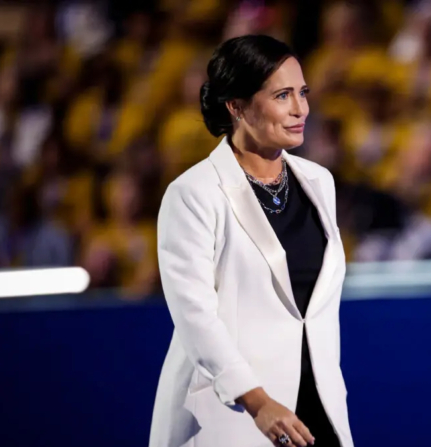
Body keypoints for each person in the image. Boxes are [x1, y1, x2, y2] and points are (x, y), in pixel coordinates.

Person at [149, 35, 352, 447]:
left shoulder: (319, 182)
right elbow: (194, 317)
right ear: (236, 106)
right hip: (233, 419)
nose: (301, 109)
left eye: (302, 93)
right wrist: (258, 401)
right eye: (282, 95)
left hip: (316, 414)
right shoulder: (194, 194)